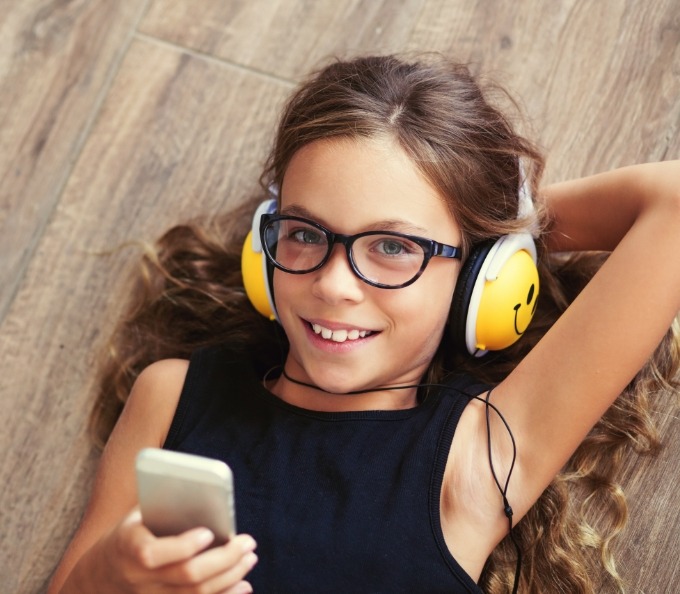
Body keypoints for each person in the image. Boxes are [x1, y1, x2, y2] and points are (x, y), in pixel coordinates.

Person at [48, 55, 680, 594]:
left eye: (394, 247)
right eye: (303, 233)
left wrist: (497, 231)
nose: (332, 284)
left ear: (478, 281)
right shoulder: (172, 395)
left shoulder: (476, 458)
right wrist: (108, 574)